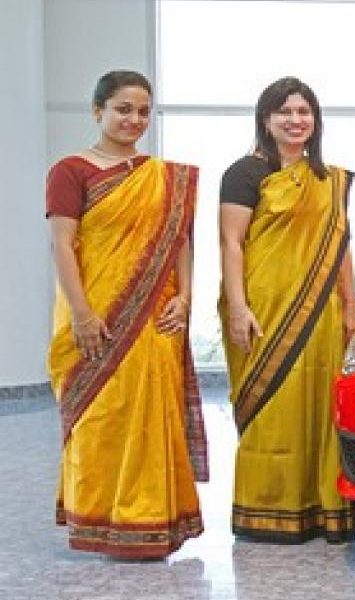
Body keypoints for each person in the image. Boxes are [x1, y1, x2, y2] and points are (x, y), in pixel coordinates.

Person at [46, 70, 207, 559]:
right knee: (100, 417)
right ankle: (99, 518)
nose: (133, 120)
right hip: (95, 314)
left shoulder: (163, 177)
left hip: (156, 318)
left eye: (142, 111)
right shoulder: (70, 170)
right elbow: (61, 245)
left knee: (152, 417)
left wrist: (186, 297)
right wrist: (81, 315)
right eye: (122, 109)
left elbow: (180, 241)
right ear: (98, 111)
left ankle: (151, 520)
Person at [218, 76, 355, 543]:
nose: (295, 120)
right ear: (266, 119)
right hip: (264, 309)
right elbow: (231, 243)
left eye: (303, 112)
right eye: (284, 111)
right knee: (271, 406)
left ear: (315, 120)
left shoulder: (328, 180)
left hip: (321, 312)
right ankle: (268, 506)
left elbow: (340, 246)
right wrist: (237, 308)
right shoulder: (245, 172)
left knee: (321, 407)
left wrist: (351, 307)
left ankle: (323, 509)